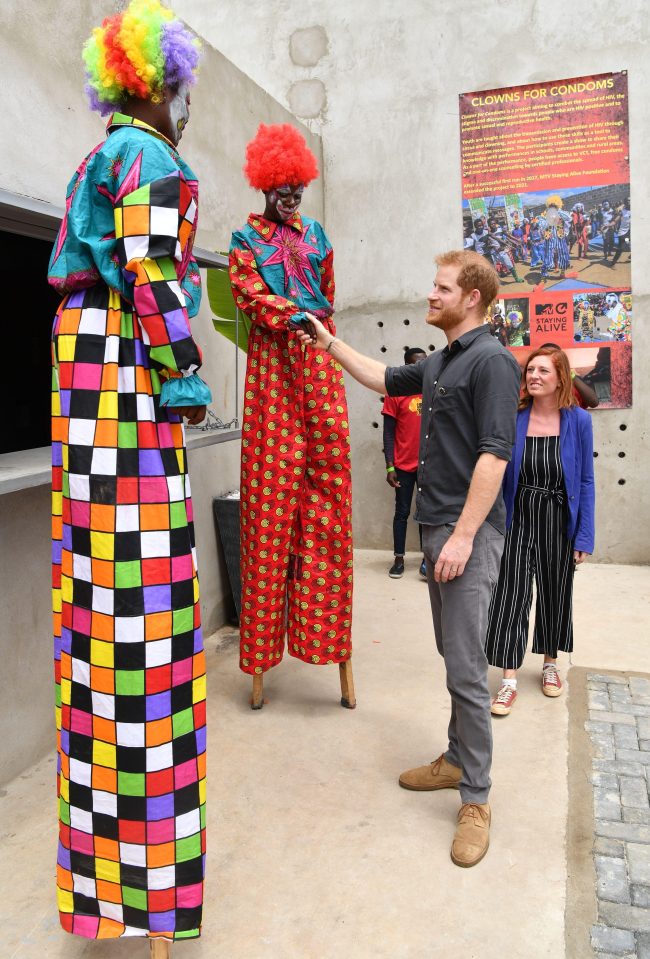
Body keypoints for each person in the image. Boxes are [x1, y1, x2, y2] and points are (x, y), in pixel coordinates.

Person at [48, 2, 207, 953]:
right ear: (162, 81)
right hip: (122, 373)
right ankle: (149, 895)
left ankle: (102, 886)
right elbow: (151, 273)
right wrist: (183, 375)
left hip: (79, 371)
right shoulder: (150, 157)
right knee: (147, 620)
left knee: (97, 620)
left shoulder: (93, 157)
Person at [295, 249, 521, 868]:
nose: (431, 294)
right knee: (453, 655)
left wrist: (463, 536)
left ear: (472, 297)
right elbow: (381, 377)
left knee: (468, 667)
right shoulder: (443, 361)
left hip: (464, 534)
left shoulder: (494, 362)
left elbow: (495, 455)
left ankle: (476, 797)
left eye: (441, 288)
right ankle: (455, 760)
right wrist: (328, 342)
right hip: (437, 526)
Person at [228, 124, 354, 695]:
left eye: (298, 187)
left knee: (329, 504)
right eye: (283, 187)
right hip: (276, 371)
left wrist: (318, 331)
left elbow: (327, 295)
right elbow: (251, 296)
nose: (292, 197)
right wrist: (297, 318)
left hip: (320, 368)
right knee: (270, 506)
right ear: (265, 185)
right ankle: (259, 657)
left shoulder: (319, 234)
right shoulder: (243, 240)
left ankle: (327, 644)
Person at [486, 348, 595, 716]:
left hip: (559, 517)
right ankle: (509, 679)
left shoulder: (578, 420)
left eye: (543, 370)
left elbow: (586, 480)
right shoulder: (515, 417)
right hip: (518, 517)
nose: (533, 375)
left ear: (561, 377)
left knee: (554, 592)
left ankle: (550, 664)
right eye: (530, 369)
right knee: (511, 595)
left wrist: (584, 535)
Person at [382, 347, 427, 579]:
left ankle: (426, 560)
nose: (420, 368)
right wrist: (390, 466)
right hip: (402, 467)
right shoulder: (395, 393)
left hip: (429, 466)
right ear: (406, 366)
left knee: (426, 513)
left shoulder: (433, 391)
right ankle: (399, 558)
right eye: (415, 364)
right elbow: (388, 434)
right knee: (402, 512)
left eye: (423, 364)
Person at [611, 198, 631, 266]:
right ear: (625, 203)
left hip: (630, 233)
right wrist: (611, 224)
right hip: (624, 234)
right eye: (627, 201)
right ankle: (613, 262)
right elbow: (616, 219)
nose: (629, 202)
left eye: (630, 200)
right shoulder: (622, 211)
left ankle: (631, 256)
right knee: (621, 247)